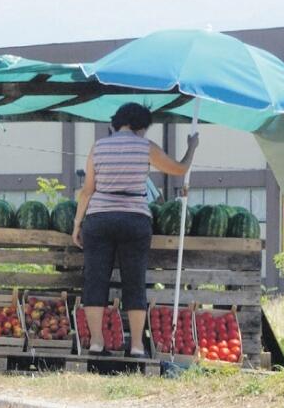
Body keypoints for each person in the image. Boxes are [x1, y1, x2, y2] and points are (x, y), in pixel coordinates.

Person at [72, 103, 199, 356]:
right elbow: (179, 169)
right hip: (134, 219)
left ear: (116, 123)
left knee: (95, 280)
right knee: (134, 282)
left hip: (99, 218)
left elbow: (88, 190)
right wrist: (191, 148)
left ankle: (97, 343)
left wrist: (77, 224)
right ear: (140, 126)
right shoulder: (145, 147)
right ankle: (138, 346)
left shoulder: (98, 148)